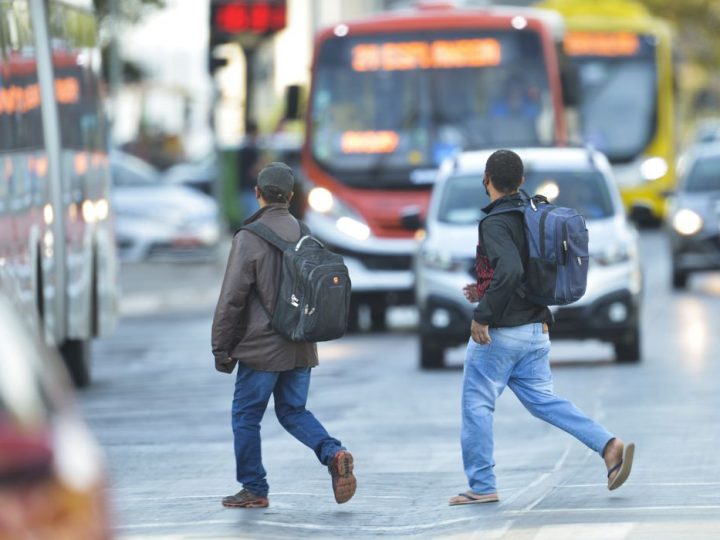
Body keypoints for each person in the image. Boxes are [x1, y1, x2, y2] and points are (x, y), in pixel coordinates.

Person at [449, 149, 634, 506]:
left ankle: (482, 485)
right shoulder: (534, 215)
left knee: (476, 405)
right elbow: (534, 274)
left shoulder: (495, 223)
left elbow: (511, 272)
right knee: (545, 402)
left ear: (486, 180)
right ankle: (609, 446)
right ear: (520, 181)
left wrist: (482, 315)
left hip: (502, 334)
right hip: (535, 330)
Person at [212, 162, 357, 509]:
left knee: (246, 416)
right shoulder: (305, 233)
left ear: (258, 194)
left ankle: (254, 488)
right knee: (293, 410)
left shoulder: (249, 237)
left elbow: (232, 298)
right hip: (301, 344)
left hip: (262, 348)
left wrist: (221, 348)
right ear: (291, 197)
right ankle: (333, 452)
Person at [237, 120, 261, 218]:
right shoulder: (249, 150)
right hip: (250, 190)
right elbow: (252, 172)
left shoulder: (243, 148)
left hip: (244, 189)